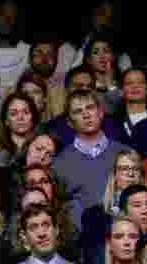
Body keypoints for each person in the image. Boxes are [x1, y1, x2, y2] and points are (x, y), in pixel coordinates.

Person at [51, 89, 132, 224]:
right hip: (82, 240)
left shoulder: (126, 153)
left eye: (90, 108)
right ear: (70, 122)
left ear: (100, 113)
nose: (86, 114)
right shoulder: (59, 164)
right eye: (78, 111)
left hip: (124, 234)